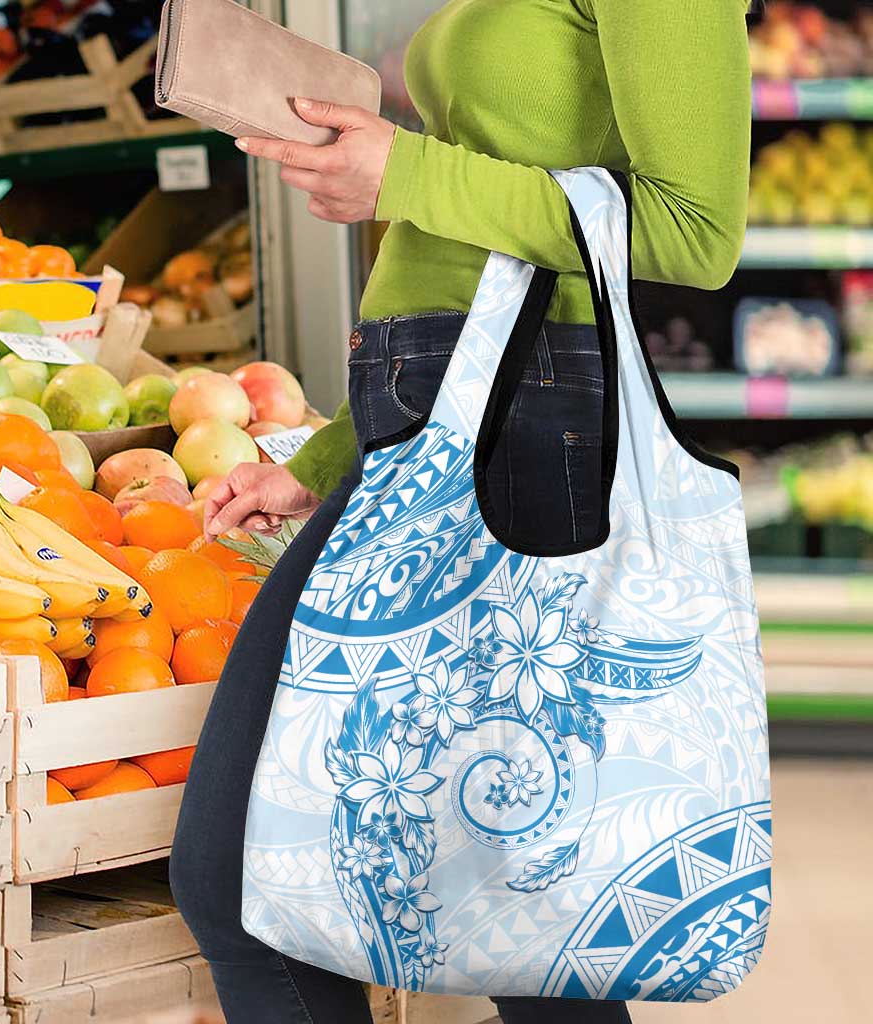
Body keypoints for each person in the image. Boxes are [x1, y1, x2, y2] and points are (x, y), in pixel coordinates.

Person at [170, 2, 754, 1022]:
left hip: (531, 437)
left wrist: (406, 173)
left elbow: (696, 230)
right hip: (436, 429)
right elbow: (473, 239)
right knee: (500, 919)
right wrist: (327, 457)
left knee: (500, 918)